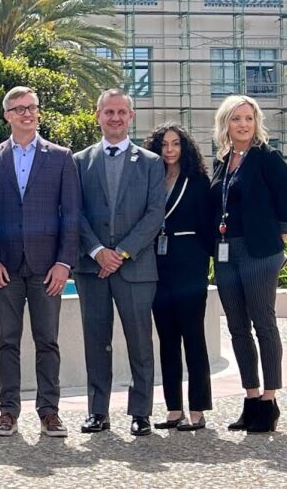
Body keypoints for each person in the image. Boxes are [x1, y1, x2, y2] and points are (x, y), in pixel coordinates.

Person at [0, 86, 81, 438]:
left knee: (47, 341)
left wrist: (64, 263)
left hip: (46, 267)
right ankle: (8, 411)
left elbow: (71, 215)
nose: (26, 113)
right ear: (7, 115)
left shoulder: (61, 157)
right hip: (3, 267)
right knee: (6, 341)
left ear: (38, 112)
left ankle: (49, 412)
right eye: (18, 108)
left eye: (32, 107)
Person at [74, 88, 165, 437]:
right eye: (108, 112)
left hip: (135, 269)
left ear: (131, 117)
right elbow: (74, 212)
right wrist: (98, 250)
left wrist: (122, 252)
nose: (114, 118)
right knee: (96, 341)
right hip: (92, 267)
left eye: (121, 112)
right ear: (97, 116)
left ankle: (140, 412)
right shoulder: (80, 161)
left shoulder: (151, 163)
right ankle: (98, 412)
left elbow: (155, 214)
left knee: (140, 342)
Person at [209, 95, 287, 434]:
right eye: (236, 119)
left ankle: (269, 402)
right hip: (227, 252)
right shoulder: (222, 161)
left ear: (256, 122)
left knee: (264, 323)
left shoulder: (269, 159)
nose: (243, 124)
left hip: (260, 253)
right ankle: (250, 398)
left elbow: (285, 206)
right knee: (237, 328)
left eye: (248, 118)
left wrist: (280, 244)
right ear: (225, 124)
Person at [143, 123, 213, 431]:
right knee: (167, 339)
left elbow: (208, 225)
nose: (170, 150)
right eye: (164, 145)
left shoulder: (197, 181)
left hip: (190, 268)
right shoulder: (152, 179)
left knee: (193, 337)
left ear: (184, 147)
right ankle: (174, 409)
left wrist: (202, 262)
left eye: (175, 144)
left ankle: (197, 409)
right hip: (159, 267)